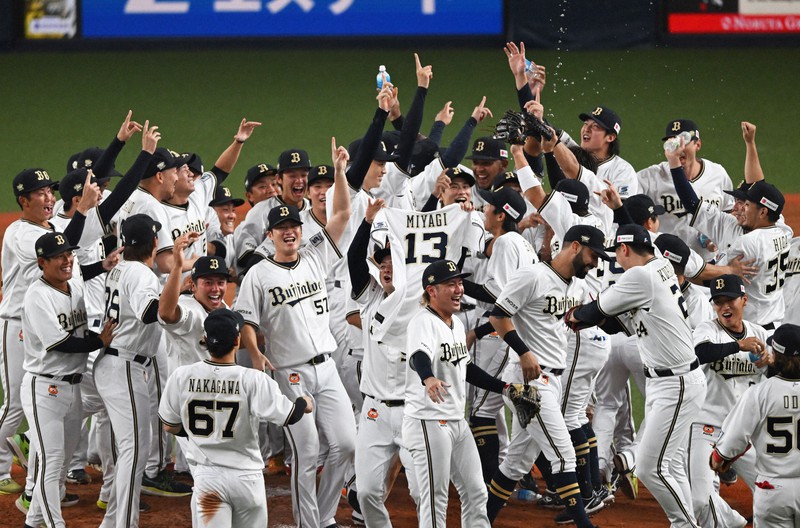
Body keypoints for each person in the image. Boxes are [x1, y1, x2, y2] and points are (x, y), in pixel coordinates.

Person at [235, 139, 354, 528]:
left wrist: (338, 171)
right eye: (281, 228)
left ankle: (322, 516)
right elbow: (247, 322)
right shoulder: (258, 274)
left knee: (346, 445)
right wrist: (254, 353)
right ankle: (310, 524)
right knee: (307, 451)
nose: (288, 232)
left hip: (329, 367)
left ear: (301, 230)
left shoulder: (316, 254)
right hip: (291, 374)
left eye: (293, 226)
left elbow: (341, 212)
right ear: (269, 235)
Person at [567, 224, 707, 528]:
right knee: (669, 465)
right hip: (668, 381)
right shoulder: (660, 268)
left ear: (625, 249)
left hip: (677, 383)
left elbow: (596, 310)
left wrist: (574, 315)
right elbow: (616, 323)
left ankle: (685, 524)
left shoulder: (640, 276)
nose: (616, 259)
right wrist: (592, 317)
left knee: (648, 468)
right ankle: (688, 524)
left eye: (616, 252)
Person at [484, 224, 607, 528]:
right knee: (563, 456)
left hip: (554, 381)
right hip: (528, 383)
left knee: (516, 463)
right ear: (575, 246)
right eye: (593, 254)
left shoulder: (574, 286)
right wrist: (523, 351)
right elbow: (498, 315)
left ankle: (479, 520)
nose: (596, 262)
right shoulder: (533, 276)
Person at [158, 309, 313, 528]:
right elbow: (289, 415)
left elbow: (169, 425)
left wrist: (197, 436)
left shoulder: (182, 376)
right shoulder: (253, 380)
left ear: (204, 340)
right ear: (237, 340)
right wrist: (304, 402)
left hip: (208, 480)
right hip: (247, 480)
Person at [403, 259, 529, 528]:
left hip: (456, 422)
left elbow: (467, 369)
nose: (459, 289)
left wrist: (504, 388)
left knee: (476, 491)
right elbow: (418, 355)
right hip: (428, 421)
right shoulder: (422, 322)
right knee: (435, 498)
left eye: (460, 283)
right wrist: (428, 377)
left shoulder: (456, 325)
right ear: (432, 291)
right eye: (451, 284)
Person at [0, 166, 96, 495]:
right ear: (23, 200)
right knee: (14, 404)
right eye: (39, 193)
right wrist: (82, 210)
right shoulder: (20, 232)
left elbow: (71, 253)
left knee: (64, 403)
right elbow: (65, 244)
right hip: (16, 326)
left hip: (50, 322)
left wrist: (101, 264)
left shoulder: (50, 225)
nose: (48, 198)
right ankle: (1, 468)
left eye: (49, 191)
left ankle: (36, 459)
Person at [19, 232, 115, 528]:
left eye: (69, 254)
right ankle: (55, 524)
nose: (67, 260)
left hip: (72, 388)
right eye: (59, 256)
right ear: (42, 262)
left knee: (59, 466)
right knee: (52, 464)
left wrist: (105, 264)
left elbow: (82, 273)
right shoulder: (37, 296)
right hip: (43, 388)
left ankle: (33, 521)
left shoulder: (72, 282)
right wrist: (100, 341)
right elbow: (61, 343)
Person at [95, 214, 170, 528]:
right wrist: (177, 288)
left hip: (117, 364)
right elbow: (150, 313)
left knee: (131, 450)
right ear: (154, 242)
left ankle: (113, 521)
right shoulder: (140, 273)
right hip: (125, 366)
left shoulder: (120, 269)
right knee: (135, 452)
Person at [690, 274, 770, 528]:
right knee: (700, 501)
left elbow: (777, 375)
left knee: (773, 491)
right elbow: (700, 353)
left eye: (730, 301)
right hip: (707, 429)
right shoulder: (707, 329)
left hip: (743, 433)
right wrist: (739, 346)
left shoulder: (759, 333)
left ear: (744, 300)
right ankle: (732, 522)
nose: (724, 307)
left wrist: (771, 364)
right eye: (718, 302)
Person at [710, 323, 800, 528]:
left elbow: (733, 440)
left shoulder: (759, 393)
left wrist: (719, 459)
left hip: (773, 491)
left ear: (775, 355)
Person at [637, 119, 734, 259]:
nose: (678, 148)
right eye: (672, 142)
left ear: (698, 144)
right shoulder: (649, 178)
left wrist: (715, 237)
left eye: (684, 141)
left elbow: (728, 214)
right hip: (667, 263)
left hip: (708, 263)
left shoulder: (718, 174)